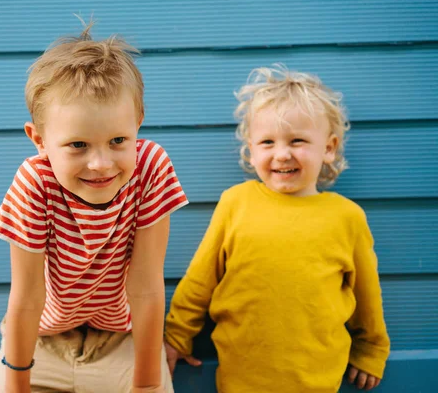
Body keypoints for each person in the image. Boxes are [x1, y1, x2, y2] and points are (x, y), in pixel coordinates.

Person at [0, 21, 188, 393]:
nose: (101, 163)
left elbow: (145, 285)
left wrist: (147, 383)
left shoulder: (151, 167)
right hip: (42, 339)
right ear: (40, 140)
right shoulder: (34, 183)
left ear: (137, 125)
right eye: (78, 145)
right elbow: (28, 297)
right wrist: (17, 384)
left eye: (117, 140)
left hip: (121, 337)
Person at [164, 65, 390, 393]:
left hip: (318, 378)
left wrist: (372, 350)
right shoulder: (235, 203)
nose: (282, 154)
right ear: (251, 151)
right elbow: (200, 280)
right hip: (241, 378)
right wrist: (176, 336)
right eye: (267, 142)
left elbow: (367, 297)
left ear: (328, 147)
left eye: (297, 141)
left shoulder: (346, 218)